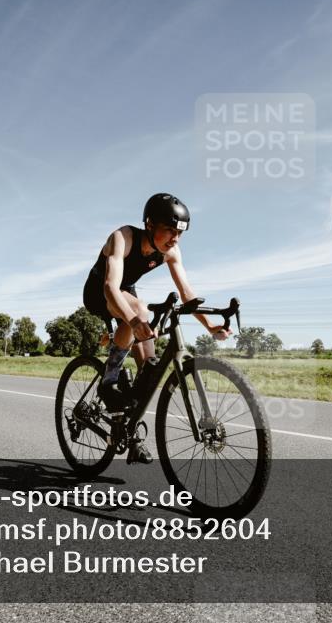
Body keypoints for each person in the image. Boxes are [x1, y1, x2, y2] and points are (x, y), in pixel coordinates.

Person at [83, 193, 231, 464]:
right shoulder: (123, 237)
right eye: (170, 231)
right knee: (140, 310)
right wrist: (135, 320)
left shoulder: (170, 251)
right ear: (149, 225)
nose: (175, 239)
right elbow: (110, 288)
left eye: (180, 234)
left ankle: (128, 435)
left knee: (148, 368)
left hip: (126, 293)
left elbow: (187, 294)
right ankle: (108, 381)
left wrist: (210, 326)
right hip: (100, 291)